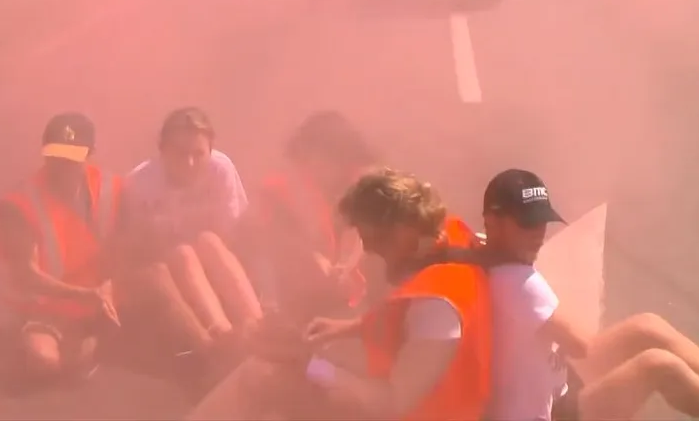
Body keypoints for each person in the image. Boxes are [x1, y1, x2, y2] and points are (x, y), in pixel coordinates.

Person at [481, 169, 699, 421]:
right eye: (526, 224)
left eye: (541, 222)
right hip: (554, 412)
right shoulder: (519, 282)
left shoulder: (485, 255)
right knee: (657, 365)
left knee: (646, 326)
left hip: (553, 380)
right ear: (493, 221)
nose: (538, 233)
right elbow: (581, 344)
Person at [187, 167, 492, 421]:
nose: (369, 249)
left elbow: (391, 405)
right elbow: (403, 325)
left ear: (403, 230)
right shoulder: (446, 233)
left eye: (374, 238)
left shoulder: (437, 309)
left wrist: (308, 364)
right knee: (265, 370)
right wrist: (347, 328)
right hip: (396, 390)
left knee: (265, 380)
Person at [118, 107, 264, 359]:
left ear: (211, 150)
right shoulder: (139, 184)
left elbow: (231, 233)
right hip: (167, 273)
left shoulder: (221, 169)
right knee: (184, 253)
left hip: (214, 258)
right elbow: (135, 250)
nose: (190, 163)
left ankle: (258, 325)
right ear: (162, 151)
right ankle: (221, 331)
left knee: (208, 242)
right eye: (180, 154)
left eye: (199, 154)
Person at [0, 112, 123, 381]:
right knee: (47, 363)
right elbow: (25, 275)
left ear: (91, 153)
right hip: (48, 305)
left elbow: (131, 244)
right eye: (55, 156)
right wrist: (85, 294)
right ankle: (71, 339)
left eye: (72, 157)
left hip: (105, 294)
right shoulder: (18, 203)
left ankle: (93, 336)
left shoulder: (113, 187)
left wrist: (111, 285)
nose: (63, 164)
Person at [256, 111, 377, 319]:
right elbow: (276, 235)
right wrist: (312, 257)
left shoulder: (364, 185)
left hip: (354, 283)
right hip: (301, 283)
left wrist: (344, 266)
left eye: (326, 155)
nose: (316, 163)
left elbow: (359, 233)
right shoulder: (287, 187)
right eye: (311, 154)